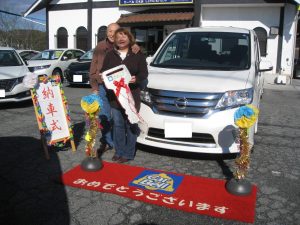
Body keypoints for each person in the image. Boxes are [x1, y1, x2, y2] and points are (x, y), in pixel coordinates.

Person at [89, 23, 140, 155]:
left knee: (121, 117)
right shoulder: (100, 46)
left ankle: (124, 143)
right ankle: (108, 141)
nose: (112, 34)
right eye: (109, 31)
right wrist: (94, 86)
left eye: (115, 31)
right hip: (103, 86)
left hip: (121, 87)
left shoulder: (128, 47)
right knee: (104, 116)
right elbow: (93, 67)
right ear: (106, 33)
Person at [101, 28, 148, 163]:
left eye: (124, 36)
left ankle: (128, 153)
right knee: (118, 125)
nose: (121, 39)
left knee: (131, 124)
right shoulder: (110, 55)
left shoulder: (137, 54)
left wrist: (136, 79)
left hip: (132, 96)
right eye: (118, 37)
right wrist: (103, 76)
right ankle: (119, 151)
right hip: (115, 97)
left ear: (129, 39)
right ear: (114, 41)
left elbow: (144, 73)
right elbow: (104, 71)